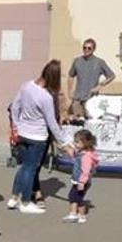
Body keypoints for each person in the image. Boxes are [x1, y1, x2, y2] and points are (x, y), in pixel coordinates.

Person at [8, 60, 73, 214]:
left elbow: (15, 107)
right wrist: (64, 143)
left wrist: (17, 125)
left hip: (23, 133)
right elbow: (52, 123)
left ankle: (14, 197)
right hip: (37, 137)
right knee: (31, 169)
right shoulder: (46, 97)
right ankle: (25, 202)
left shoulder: (26, 86)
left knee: (23, 167)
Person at [67, 38, 115, 119]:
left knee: (90, 121)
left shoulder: (99, 62)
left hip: (91, 98)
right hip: (77, 98)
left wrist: (99, 86)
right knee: (78, 122)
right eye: (84, 47)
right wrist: (70, 90)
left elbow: (111, 76)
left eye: (89, 48)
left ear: (94, 49)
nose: (86, 50)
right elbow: (71, 75)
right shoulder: (77, 61)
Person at [62, 130, 98, 223]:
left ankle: (73, 213)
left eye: (77, 142)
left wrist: (82, 182)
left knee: (73, 196)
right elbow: (74, 157)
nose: (75, 143)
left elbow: (85, 171)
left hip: (82, 181)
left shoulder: (86, 156)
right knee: (78, 198)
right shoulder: (82, 152)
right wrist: (68, 150)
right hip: (78, 180)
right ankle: (81, 216)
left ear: (85, 143)